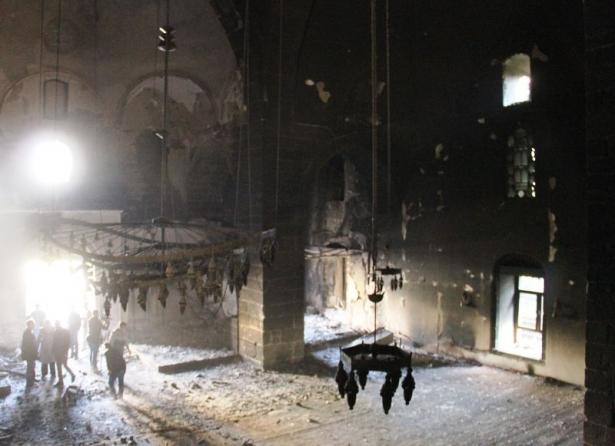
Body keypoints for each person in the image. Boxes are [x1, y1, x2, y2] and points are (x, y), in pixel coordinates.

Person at [52, 320, 75, 387]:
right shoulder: (60, 331)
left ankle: (67, 377)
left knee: (62, 366)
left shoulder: (63, 332)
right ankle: (62, 380)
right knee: (61, 366)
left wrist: (65, 351)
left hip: (61, 351)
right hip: (59, 351)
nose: (56, 326)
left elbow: (67, 342)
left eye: (56, 325)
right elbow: (54, 342)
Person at [21, 319, 37, 388]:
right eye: (32, 325)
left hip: (31, 353)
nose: (33, 326)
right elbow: (28, 345)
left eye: (33, 324)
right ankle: (29, 383)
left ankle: (32, 382)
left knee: (32, 367)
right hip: (29, 354)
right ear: (29, 325)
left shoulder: (30, 332)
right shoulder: (27, 333)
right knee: (30, 368)